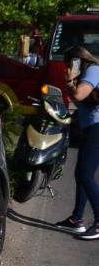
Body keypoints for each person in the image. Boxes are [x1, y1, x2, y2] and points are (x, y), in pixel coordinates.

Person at [55, 46, 99, 240]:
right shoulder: (87, 72)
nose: (67, 67)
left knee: (85, 174)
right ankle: (77, 219)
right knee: (81, 174)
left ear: (77, 61)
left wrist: (69, 80)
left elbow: (79, 95)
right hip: (91, 127)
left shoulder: (93, 70)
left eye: (69, 63)